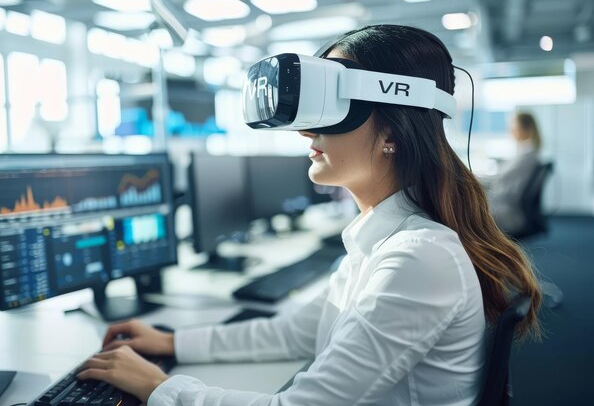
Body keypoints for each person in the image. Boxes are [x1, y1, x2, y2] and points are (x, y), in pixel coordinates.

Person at [77, 25, 542, 406]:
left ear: (393, 131)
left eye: (336, 108)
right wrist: (172, 343)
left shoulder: (418, 258)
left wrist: (160, 388)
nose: (305, 130)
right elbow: (297, 333)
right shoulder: (382, 240)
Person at [482, 112, 543, 236]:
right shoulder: (526, 154)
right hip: (507, 204)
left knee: (466, 208)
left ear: (526, 129)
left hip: (508, 210)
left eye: (515, 128)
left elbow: (500, 180)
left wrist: (473, 179)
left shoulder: (525, 157)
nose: (511, 131)